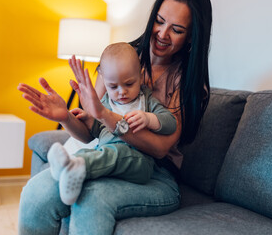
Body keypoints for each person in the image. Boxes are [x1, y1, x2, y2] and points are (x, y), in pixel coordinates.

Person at [18, 0, 212, 234]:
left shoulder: (186, 82)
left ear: (192, 35)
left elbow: (161, 147)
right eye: (159, 21)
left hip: (154, 173)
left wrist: (105, 115)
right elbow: (92, 133)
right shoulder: (117, 61)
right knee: (37, 192)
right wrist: (65, 117)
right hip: (103, 153)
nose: (162, 34)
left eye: (177, 30)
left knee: (90, 199)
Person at [47, 42, 177, 205]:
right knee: (91, 154)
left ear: (140, 75)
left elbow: (171, 123)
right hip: (105, 152)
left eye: (129, 84)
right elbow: (98, 132)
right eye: (113, 86)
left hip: (138, 161)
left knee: (117, 154)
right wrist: (87, 119)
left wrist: (149, 119)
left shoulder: (146, 100)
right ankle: (68, 167)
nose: (122, 91)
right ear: (105, 81)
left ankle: (77, 167)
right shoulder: (105, 103)